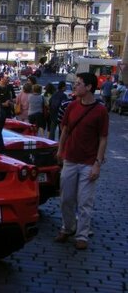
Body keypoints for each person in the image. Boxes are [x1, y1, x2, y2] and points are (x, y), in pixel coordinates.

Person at [55, 73, 109, 250]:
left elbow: (103, 138)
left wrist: (97, 163)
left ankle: (82, 235)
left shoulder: (100, 110)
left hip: (88, 162)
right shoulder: (71, 106)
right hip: (70, 159)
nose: (75, 86)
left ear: (89, 87)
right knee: (66, 199)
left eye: (79, 84)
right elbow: (65, 131)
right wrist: (60, 151)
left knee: (85, 201)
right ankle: (68, 227)